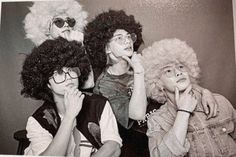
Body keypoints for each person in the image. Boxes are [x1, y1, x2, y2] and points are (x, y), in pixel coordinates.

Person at [84, 10, 218, 157]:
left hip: (172, 128)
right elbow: (137, 114)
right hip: (141, 145)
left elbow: (175, 79)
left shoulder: (144, 60)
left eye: (129, 36)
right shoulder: (105, 86)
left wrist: (204, 92)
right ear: (106, 47)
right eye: (119, 38)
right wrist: (139, 72)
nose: (127, 41)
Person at [20, 37, 122, 156]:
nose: (68, 76)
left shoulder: (99, 104)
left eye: (71, 69)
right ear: (47, 83)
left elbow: (114, 147)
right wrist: (69, 117)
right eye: (59, 72)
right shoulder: (38, 121)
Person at [143, 38, 236, 157]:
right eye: (168, 71)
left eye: (181, 67)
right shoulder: (158, 120)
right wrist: (183, 112)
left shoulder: (219, 101)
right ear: (157, 82)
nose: (178, 72)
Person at [23, 0, 94, 89]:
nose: (66, 25)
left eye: (70, 21)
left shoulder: (75, 50)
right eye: (59, 22)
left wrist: (80, 46)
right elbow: (88, 84)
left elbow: (90, 84)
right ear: (46, 28)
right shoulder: (44, 56)